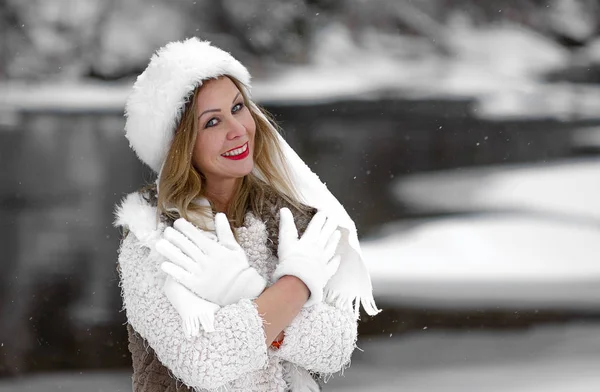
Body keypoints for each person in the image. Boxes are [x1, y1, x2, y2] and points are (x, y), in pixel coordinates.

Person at [114, 37, 379, 392]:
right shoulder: (151, 239)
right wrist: (297, 283)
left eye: (238, 108)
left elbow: (334, 348)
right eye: (211, 122)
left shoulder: (295, 219)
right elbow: (205, 360)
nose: (238, 130)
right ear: (181, 146)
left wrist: (244, 293)